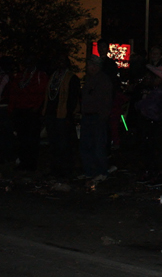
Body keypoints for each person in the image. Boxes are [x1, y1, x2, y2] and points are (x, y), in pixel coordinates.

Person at [43, 56, 81, 179]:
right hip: (51, 114)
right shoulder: (53, 77)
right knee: (53, 144)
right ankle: (55, 169)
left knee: (64, 144)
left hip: (63, 115)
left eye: (62, 61)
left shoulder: (71, 78)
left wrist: (69, 115)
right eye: (58, 61)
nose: (60, 63)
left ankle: (66, 170)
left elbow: (73, 98)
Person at [9, 57, 48, 171]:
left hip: (32, 112)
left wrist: (36, 108)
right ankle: (23, 162)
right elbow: (14, 93)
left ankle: (31, 164)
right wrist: (12, 110)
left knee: (32, 140)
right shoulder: (21, 76)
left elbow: (42, 93)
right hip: (21, 111)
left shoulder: (39, 76)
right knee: (22, 139)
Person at [80, 55, 113, 183]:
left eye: (93, 65)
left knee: (98, 145)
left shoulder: (103, 80)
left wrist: (103, 116)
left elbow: (106, 101)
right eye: (89, 65)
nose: (91, 68)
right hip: (88, 116)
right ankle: (90, 171)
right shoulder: (89, 79)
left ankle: (102, 171)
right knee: (86, 145)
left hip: (97, 117)